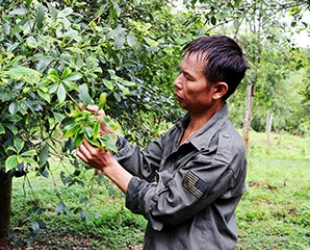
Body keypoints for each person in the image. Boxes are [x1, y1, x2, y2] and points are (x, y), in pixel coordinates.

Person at [76, 35, 248, 250]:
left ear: (218, 90)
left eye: (188, 77)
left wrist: (108, 166)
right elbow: (145, 165)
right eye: (180, 72)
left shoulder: (221, 152)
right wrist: (108, 135)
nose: (177, 82)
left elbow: (166, 206)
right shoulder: (182, 128)